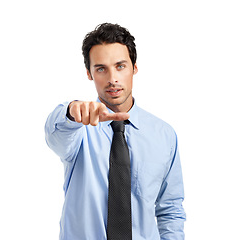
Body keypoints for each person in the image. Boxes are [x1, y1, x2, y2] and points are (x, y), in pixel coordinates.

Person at [45, 23, 186, 240]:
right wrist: (72, 110)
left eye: (120, 66)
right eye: (101, 68)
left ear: (134, 67)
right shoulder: (77, 129)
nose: (113, 79)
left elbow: (170, 210)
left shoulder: (164, 135)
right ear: (89, 73)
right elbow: (55, 131)